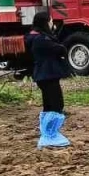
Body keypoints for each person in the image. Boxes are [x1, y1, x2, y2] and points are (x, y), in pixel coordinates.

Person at [28, 12, 72, 148]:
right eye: (51, 21)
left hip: (46, 75)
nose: (52, 24)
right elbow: (60, 49)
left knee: (49, 104)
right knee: (56, 104)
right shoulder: (40, 39)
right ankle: (49, 135)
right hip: (47, 75)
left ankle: (49, 134)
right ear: (45, 23)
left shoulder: (37, 37)